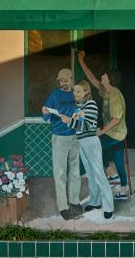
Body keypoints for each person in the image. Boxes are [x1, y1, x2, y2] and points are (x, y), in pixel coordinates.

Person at [78, 51, 129, 200]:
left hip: (117, 133)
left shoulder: (114, 94)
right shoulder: (106, 91)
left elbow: (116, 119)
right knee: (119, 161)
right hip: (113, 132)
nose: (102, 76)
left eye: (105, 75)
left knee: (95, 144)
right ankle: (122, 190)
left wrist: (102, 131)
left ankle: (109, 172)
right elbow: (92, 79)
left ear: (110, 78)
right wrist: (81, 61)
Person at [59, 80, 114, 219]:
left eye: (78, 91)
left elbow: (89, 126)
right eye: (74, 91)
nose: (75, 93)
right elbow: (76, 125)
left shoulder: (91, 104)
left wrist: (70, 121)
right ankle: (95, 202)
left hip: (90, 142)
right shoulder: (79, 106)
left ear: (86, 92)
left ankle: (108, 207)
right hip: (81, 142)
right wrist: (68, 121)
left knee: (99, 173)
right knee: (90, 174)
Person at [42, 68, 82, 221]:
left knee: (75, 172)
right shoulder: (54, 95)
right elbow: (45, 116)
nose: (64, 83)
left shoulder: (76, 93)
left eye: (67, 80)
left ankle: (75, 201)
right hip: (59, 137)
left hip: (75, 136)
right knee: (60, 174)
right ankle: (63, 207)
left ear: (72, 80)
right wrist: (45, 111)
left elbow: (82, 112)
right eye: (62, 81)